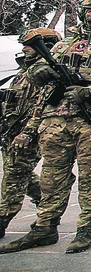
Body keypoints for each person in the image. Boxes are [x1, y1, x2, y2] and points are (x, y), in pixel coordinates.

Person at [0, 0, 91, 254]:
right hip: (56, 115)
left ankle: (86, 229)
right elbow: (35, 73)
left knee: (90, 174)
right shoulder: (64, 43)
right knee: (52, 174)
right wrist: (43, 72)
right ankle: (45, 227)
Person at [0, 28, 60, 238]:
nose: (24, 48)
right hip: (11, 132)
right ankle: (48, 207)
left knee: (15, 174)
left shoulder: (47, 72)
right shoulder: (25, 71)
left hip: (29, 134)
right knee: (18, 171)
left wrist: (28, 132)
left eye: (29, 45)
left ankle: (2, 218)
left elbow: (43, 106)